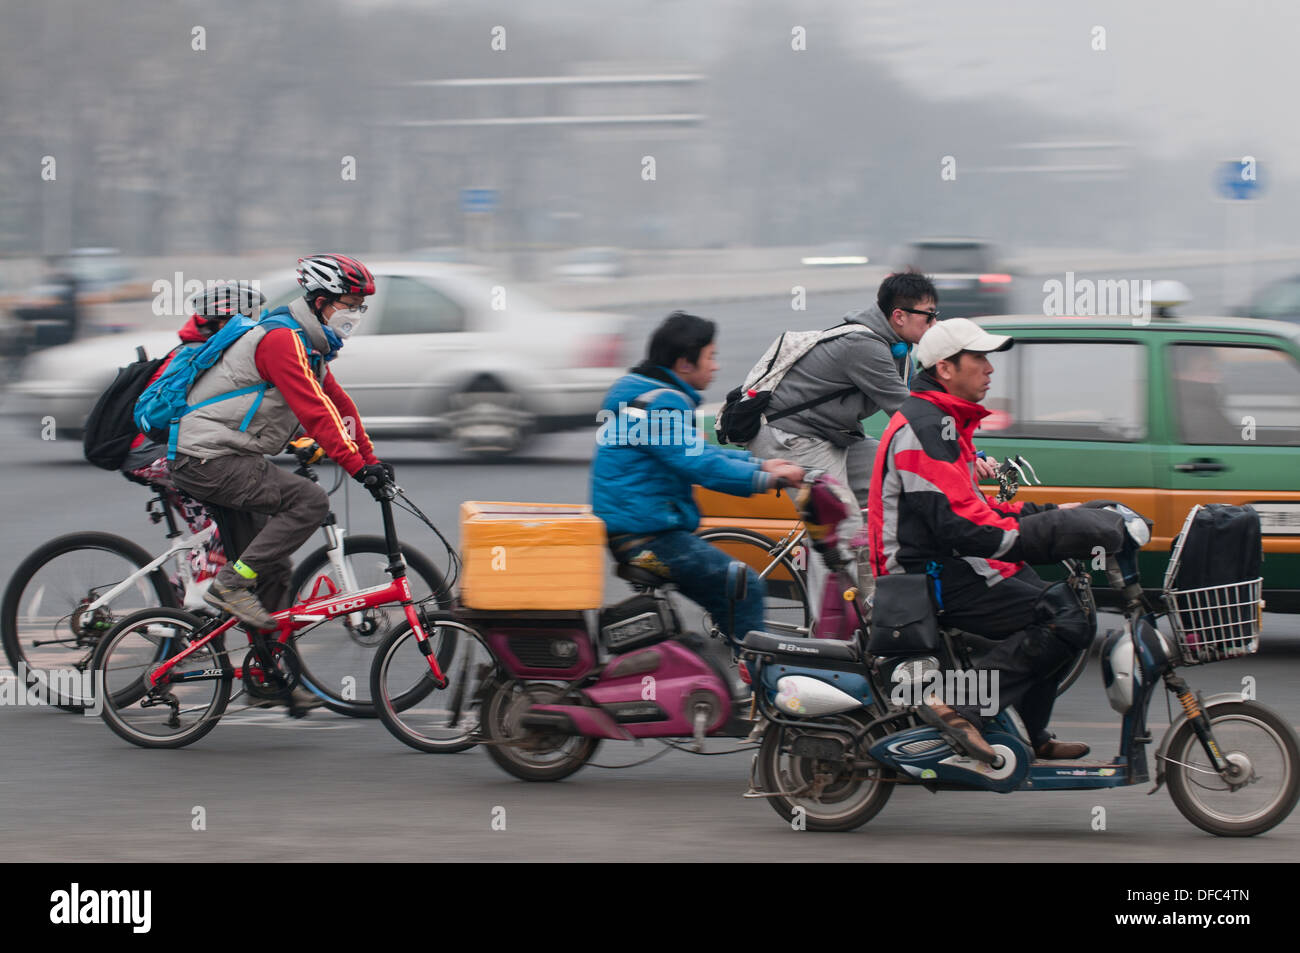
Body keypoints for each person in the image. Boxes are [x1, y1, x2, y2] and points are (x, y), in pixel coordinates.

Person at [868, 318, 1097, 761]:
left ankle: (1037, 734)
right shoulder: (924, 427)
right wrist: (1037, 536)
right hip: (924, 575)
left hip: (950, 561)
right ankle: (959, 706)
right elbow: (959, 525)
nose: (989, 369)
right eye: (979, 358)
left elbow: (974, 508)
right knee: (1062, 619)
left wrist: (1051, 516)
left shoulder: (946, 422)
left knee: (1071, 609)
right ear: (946, 369)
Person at [169, 254, 392, 651]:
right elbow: (314, 411)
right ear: (321, 301)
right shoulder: (281, 341)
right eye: (349, 304)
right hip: (208, 460)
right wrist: (356, 467)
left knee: (272, 568)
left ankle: (269, 677)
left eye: (361, 306)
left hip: (227, 459)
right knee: (308, 501)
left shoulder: (310, 346)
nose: (356, 314)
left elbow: (338, 405)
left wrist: (371, 460)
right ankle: (231, 585)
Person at [747, 272, 997, 608]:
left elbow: (927, 407)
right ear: (899, 316)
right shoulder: (864, 346)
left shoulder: (900, 349)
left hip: (832, 435)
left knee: (894, 476)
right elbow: (910, 413)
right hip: (791, 434)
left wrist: (967, 449)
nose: (935, 323)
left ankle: (879, 581)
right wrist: (966, 455)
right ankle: (834, 630)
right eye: (929, 315)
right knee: (838, 522)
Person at [591, 311, 804, 678]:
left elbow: (701, 453)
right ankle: (766, 691)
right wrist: (765, 482)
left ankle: (738, 676)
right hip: (647, 537)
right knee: (744, 585)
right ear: (684, 362)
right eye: (711, 357)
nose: (716, 367)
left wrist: (762, 467)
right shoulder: (659, 403)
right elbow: (699, 465)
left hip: (641, 528)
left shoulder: (644, 395)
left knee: (727, 594)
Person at [122, 281, 268, 593]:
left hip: (158, 450)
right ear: (226, 321)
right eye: (248, 320)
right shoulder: (200, 356)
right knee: (222, 526)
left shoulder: (207, 351)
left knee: (215, 527)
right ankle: (196, 601)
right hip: (151, 453)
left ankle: (181, 596)